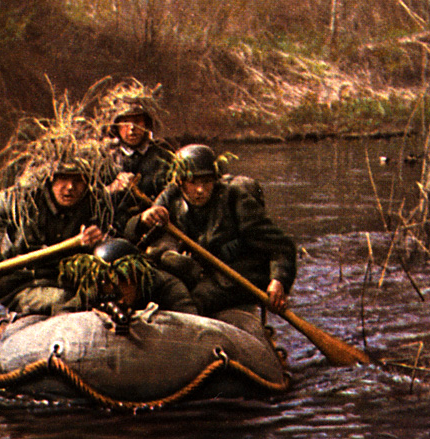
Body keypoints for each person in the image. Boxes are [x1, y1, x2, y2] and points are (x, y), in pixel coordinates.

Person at [126, 144, 297, 317]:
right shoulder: (171, 197)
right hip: (201, 272)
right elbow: (131, 235)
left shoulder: (235, 198)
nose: (200, 190)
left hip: (238, 277)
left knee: (192, 302)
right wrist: (142, 220)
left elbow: (281, 246)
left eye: (207, 182)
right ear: (180, 182)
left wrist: (279, 280)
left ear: (215, 180)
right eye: (193, 183)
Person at [0, 160, 115, 315]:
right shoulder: (23, 200)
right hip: (20, 282)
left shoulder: (96, 204)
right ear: (50, 179)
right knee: (63, 300)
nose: (70, 187)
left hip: (65, 280)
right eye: (63, 179)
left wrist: (97, 240)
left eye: (78, 180)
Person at [58, 238, 197, 315]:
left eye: (123, 281)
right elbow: (63, 317)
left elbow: (192, 323)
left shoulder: (165, 286)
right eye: (108, 281)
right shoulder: (97, 288)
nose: (115, 289)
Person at [103, 101, 174, 202]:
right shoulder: (106, 158)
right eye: (125, 122)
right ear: (116, 127)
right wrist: (111, 188)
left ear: (146, 124)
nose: (132, 128)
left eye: (137, 121)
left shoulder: (162, 155)